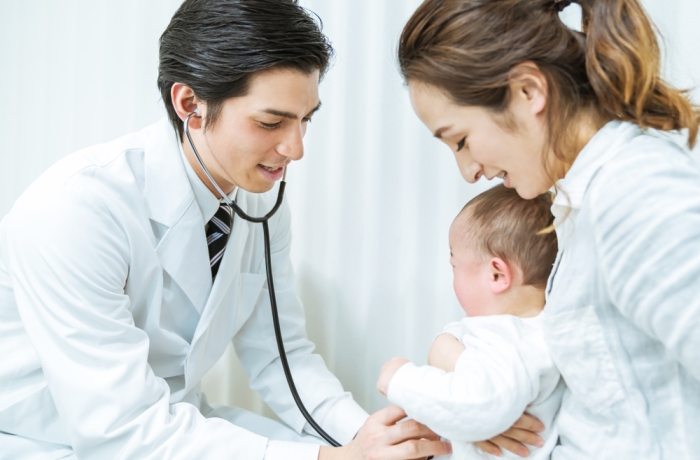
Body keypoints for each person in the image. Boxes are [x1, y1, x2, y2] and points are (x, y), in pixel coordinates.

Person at [0, 1, 453, 459]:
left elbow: (282, 357)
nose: (295, 149)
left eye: (306, 119)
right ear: (190, 104)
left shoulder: (257, 201)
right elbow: (121, 431)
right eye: (271, 122)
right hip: (47, 439)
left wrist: (380, 439)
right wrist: (331, 458)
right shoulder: (74, 210)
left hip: (178, 423)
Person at [397, 0, 700, 458]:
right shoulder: (575, 205)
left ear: (527, 91)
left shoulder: (635, 192)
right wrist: (466, 379)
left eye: (460, 140)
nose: (468, 170)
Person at [376, 184, 563, 459]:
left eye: (455, 266)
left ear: (497, 275)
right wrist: (443, 344)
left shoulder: (504, 335)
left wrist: (399, 378)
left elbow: (479, 404)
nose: (453, 276)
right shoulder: (541, 330)